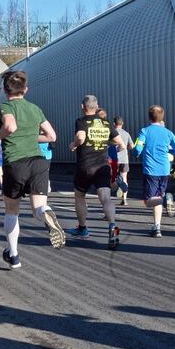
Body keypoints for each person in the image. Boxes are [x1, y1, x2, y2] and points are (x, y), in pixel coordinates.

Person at [0, 70, 65, 269]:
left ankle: (14, 255)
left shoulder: (5, 106)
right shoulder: (35, 108)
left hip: (16, 163)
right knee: (38, 208)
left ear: (6, 91)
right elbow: (51, 136)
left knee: (11, 210)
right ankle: (47, 212)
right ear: (26, 89)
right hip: (38, 162)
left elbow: (10, 127)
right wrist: (31, 136)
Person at [69, 95, 125, 249]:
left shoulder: (81, 121)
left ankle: (83, 229)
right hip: (103, 166)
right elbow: (120, 143)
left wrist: (74, 144)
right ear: (97, 106)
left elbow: (80, 137)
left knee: (80, 195)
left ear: (82, 107)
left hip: (85, 166)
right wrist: (111, 144)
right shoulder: (106, 123)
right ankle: (113, 227)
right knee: (106, 198)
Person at [134, 105, 175, 238]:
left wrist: (138, 151)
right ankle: (157, 227)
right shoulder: (168, 132)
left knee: (148, 201)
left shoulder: (144, 131)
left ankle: (165, 200)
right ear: (162, 117)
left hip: (150, 170)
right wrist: (168, 150)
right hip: (164, 170)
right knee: (157, 196)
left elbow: (137, 150)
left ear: (149, 117)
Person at [112, 116, 134, 206]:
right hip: (124, 159)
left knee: (112, 178)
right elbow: (132, 146)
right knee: (125, 178)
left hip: (114, 159)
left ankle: (117, 184)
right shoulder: (126, 133)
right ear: (122, 123)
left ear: (114, 124)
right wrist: (125, 148)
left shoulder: (112, 133)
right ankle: (124, 199)